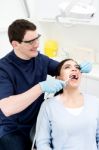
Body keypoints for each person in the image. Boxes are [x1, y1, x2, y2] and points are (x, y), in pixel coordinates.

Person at [0, 19, 91, 150]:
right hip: (12, 129)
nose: (37, 44)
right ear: (15, 44)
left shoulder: (41, 59)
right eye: (31, 42)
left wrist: (77, 68)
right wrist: (40, 87)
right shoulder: (3, 68)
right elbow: (7, 108)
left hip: (38, 122)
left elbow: (62, 70)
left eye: (37, 38)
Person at [35, 58, 99, 150]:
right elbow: (42, 143)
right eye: (67, 67)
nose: (74, 69)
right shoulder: (48, 106)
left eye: (77, 67)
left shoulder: (95, 102)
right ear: (58, 78)